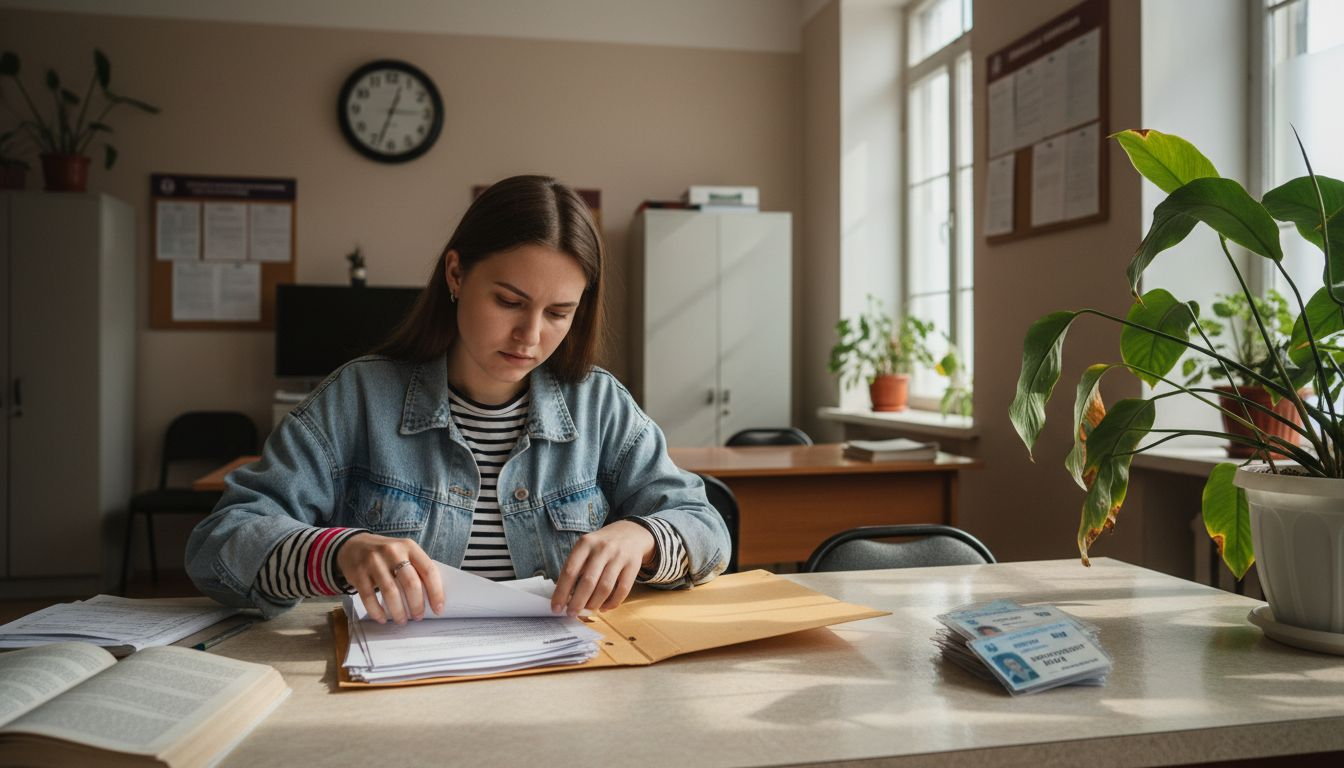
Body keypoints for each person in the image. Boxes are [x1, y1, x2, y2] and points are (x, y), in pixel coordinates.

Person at [186, 175, 731, 624]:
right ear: (456, 273)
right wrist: (336, 552)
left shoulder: (599, 406)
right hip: (400, 689)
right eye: (509, 301)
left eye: (559, 313)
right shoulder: (357, 399)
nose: (530, 335)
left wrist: (643, 536)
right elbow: (218, 545)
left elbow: (706, 527)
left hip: (565, 678)